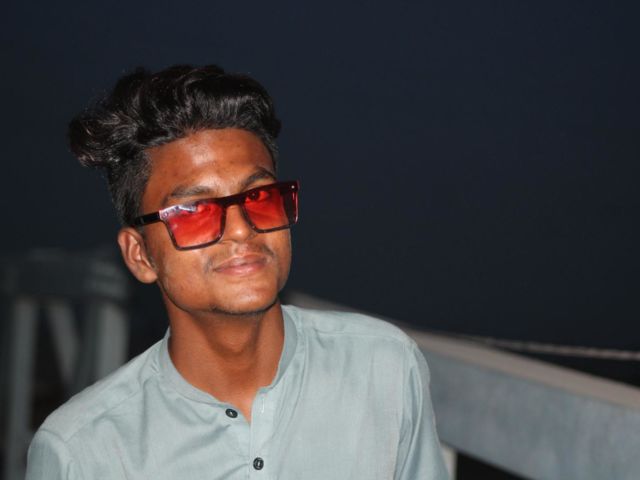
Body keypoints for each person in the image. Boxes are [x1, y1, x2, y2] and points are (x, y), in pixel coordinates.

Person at [25, 64, 449, 479]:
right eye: (194, 212)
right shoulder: (83, 452)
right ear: (140, 255)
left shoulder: (384, 368)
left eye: (259, 197)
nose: (243, 229)